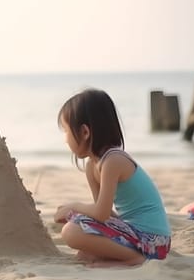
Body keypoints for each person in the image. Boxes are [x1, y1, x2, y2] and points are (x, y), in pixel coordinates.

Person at [54, 89, 171, 268]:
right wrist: (76, 214)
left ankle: (134, 259)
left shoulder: (113, 161)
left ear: (85, 132)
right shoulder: (92, 166)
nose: (65, 139)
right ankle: (124, 255)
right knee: (84, 250)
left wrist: (74, 207)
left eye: (66, 131)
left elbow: (100, 212)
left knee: (71, 232)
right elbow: (104, 215)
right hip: (134, 233)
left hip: (155, 241)